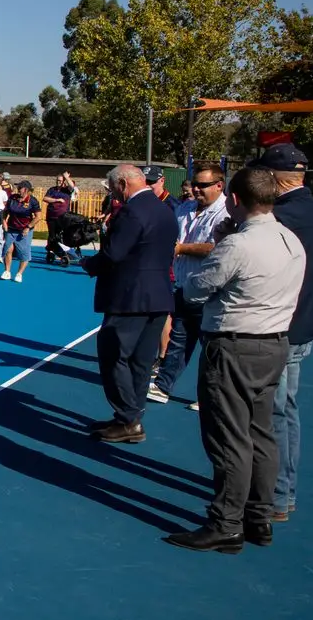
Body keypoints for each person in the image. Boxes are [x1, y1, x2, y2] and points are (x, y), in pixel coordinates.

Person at [165, 168, 305, 553]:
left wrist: (224, 244)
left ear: (236, 200)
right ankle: (258, 516)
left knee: (229, 436)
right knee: (262, 432)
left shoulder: (238, 245)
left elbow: (196, 288)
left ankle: (226, 522)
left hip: (235, 344)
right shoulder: (290, 240)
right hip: (274, 342)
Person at [82, 164, 180, 444]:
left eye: (113, 188)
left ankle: (128, 418)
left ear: (123, 184)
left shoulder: (132, 212)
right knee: (141, 359)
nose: (113, 194)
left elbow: (114, 254)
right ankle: (131, 416)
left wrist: (89, 263)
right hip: (159, 295)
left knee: (113, 354)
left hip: (130, 297)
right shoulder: (165, 209)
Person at [253, 144, 313, 521]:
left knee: (271, 413)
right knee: (287, 411)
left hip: (280, 325)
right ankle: (283, 491)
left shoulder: (282, 218)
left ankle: (274, 494)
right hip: (303, 323)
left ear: (274, 178)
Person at [148, 166, 227, 404]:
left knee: (211, 348)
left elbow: (220, 249)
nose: (196, 189)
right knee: (178, 340)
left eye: (202, 185)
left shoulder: (225, 213)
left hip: (211, 292)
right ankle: (163, 385)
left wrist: (182, 248)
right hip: (183, 286)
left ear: (218, 185)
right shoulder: (185, 208)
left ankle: (211, 396)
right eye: (195, 184)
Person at [0, 180, 41, 282]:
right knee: (8, 249)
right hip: (11, 228)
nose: (18, 190)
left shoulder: (32, 201)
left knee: (24, 253)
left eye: (20, 188)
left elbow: (38, 217)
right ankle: (7, 271)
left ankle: (19, 273)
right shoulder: (12, 198)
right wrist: (4, 222)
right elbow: (5, 212)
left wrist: (28, 227)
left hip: (24, 230)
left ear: (26, 189)